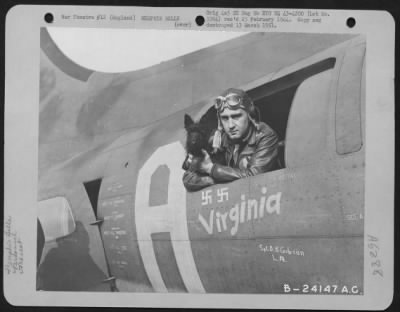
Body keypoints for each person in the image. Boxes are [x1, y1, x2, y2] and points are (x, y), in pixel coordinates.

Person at [183, 88, 280, 192]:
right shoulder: (219, 140)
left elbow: (255, 176)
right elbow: (188, 179)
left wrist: (211, 169)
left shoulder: (264, 136)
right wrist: (211, 179)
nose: (230, 125)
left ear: (249, 115)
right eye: (225, 118)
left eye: (236, 116)